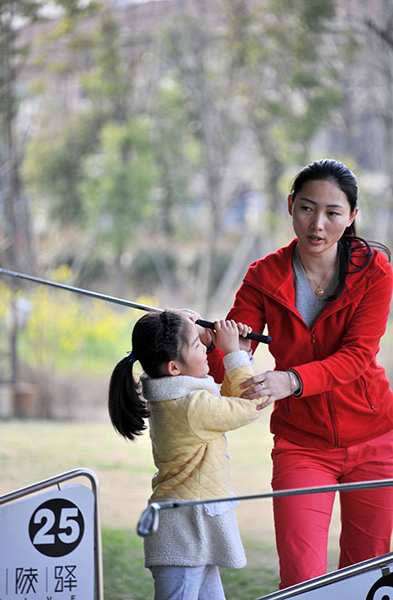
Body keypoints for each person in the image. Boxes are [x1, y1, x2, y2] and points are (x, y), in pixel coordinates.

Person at [200, 158, 393, 589]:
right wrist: (218, 343)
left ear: (352, 217)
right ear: (290, 205)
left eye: (332, 213)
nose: (317, 224)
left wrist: (291, 381)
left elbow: (358, 355)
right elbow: (230, 363)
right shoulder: (263, 275)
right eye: (307, 208)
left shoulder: (375, 272)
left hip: (376, 440)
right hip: (301, 445)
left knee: (367, 577)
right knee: (302, 579)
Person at [108, 310, 264, 600]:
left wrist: (238, 352)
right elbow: (249, 404)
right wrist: (232, 355)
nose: (206, 347)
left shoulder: (180, 397)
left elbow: (227, 403)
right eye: (196, 344)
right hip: (182, 535)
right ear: (174, 368)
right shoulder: (190, 406)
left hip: (191, 530)